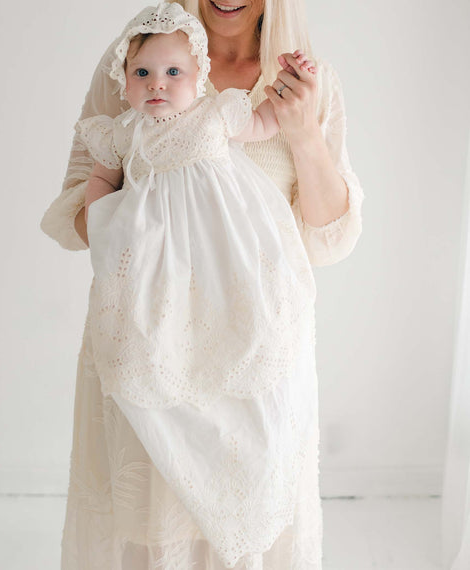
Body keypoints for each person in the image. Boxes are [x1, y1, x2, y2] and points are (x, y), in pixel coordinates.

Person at [40, 1, 365, 569]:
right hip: (150, 341)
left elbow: (327, 234)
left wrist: (305, 132)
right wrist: (137, 223)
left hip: (258, 347)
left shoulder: (304, 80)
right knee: (150, 527)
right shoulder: (138, 58)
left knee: (252, 525)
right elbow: (80, 205)